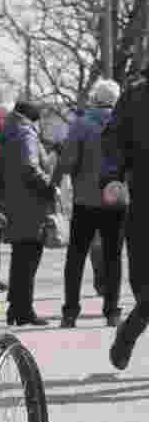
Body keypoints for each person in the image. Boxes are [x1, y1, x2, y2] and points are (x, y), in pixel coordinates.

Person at [50, 79, 124, 328]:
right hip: (115, 200)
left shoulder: (82, 124)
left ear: (95, 98)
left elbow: (68, 161)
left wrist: (56, 182)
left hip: (85, 200)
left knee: (76, 258)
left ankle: (70, 312)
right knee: (113, 257)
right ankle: (112, 311)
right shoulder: (123, 123)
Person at [102, 71, 146, 370]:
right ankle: (134, 323)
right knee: (142, 279)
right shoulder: (136, 95)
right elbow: (112, 139)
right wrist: (113, 176)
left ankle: (132, 327)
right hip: (145, 192)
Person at [0, 100, 55, 326]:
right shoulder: (27, 134)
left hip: (14, 203)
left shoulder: (9, 131)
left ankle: (16, 308)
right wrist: (49, 186)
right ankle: (24, 311)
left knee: (20, 259)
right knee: (29, 259)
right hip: (30, 205)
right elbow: (30, 167)